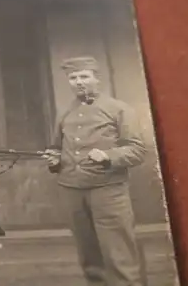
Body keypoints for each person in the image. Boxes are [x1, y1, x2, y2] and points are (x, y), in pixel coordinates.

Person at [44, 56, 147, 286]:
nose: (78, 82)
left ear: (96, 78)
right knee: (89, 256)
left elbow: (138, 150)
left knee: (119, 254)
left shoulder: (118, 109)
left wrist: (109, 155)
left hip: (108, 191)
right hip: (72, 190)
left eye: (84, 76)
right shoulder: (65, 112)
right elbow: (55, 147)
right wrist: (53, 159)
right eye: (73, 78)